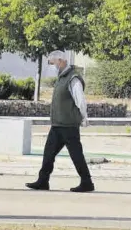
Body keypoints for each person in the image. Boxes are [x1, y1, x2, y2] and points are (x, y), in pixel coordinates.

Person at [25, 50, 94, 192]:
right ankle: (43, 181)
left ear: (61, 61)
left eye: (54, 63)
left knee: (76, 155)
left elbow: (80, 100)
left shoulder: (73, 78)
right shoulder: (61, 77)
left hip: (69, 125)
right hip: (58, 124)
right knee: (48, 153)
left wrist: (84, 117)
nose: (53, 66)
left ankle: (87, 182)